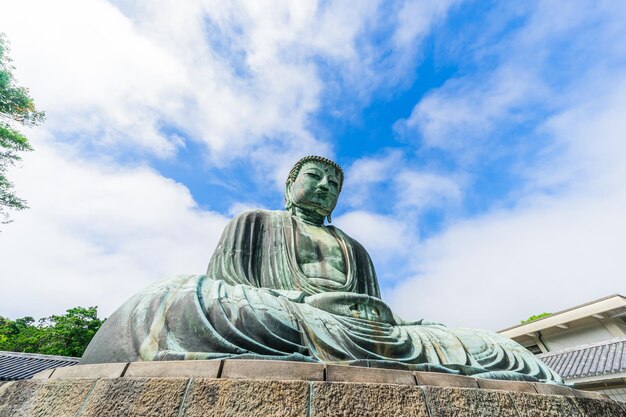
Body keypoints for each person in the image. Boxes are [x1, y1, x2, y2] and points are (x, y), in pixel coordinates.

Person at [81, 156, 562, 383]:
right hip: (284, 315)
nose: (325, 187)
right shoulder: (255, 223)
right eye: (315, 177)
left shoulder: (354, 246)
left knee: (492, 346)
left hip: (362, 331)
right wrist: (296, 303)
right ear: (291, 182)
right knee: (182, 297)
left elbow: (383, 317)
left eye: (334, 184)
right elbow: (230, 288)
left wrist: (404, 325)